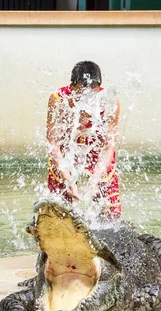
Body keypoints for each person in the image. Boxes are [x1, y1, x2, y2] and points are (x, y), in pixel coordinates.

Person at [46, 60, 121, 219]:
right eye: (82, 91)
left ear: (99, 87)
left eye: (92, 91)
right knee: (57, 207)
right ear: (72, 86)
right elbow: (53, 144)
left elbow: (109, 147)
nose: (86, 96)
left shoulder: (109, 101)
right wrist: (68, 178)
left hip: (97, 150)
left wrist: (94, 181)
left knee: (110, 210)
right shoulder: (59, 99)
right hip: (66, 150)